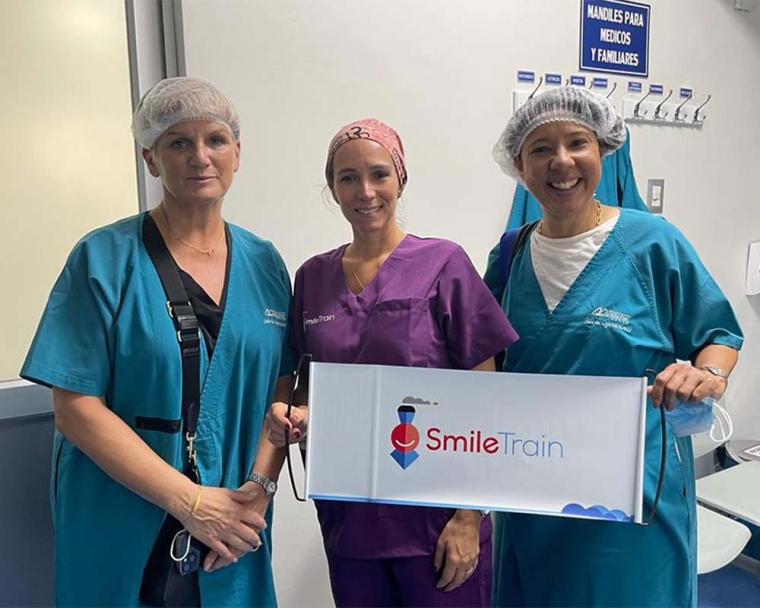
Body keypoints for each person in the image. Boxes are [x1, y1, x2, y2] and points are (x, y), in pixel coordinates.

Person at [20, 77, 293, 607]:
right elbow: (75, 408)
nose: (200, 157)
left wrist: (260, 488)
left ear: (238, 152)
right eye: (177, 142)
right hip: (124, 520)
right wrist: (190, 502)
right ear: (150, 158)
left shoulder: (265, 263)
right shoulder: (103, 258)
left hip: (232, 528)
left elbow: (281, 388)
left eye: (215, 139)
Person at [485, 86, 743, 607]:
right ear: (519, 163)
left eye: (576, 142)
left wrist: (707, 376)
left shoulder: (652, 243)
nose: (561, 162)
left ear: (603, 148)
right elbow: (482, 361)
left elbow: (718, 335)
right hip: (532, 494)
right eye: (541, 148)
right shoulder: (509, 255)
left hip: (633, 497)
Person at [266, 118, 518, 607]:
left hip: (438, 522)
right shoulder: (313, 277)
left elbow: (487, 399)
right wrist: (290, 415)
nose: (365, 191)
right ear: (332, 189)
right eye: (347, 178)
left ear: (400, 178)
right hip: (348, 518)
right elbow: (302, 379)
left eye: (379, 174)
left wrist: (470, 515)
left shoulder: (444, 264)